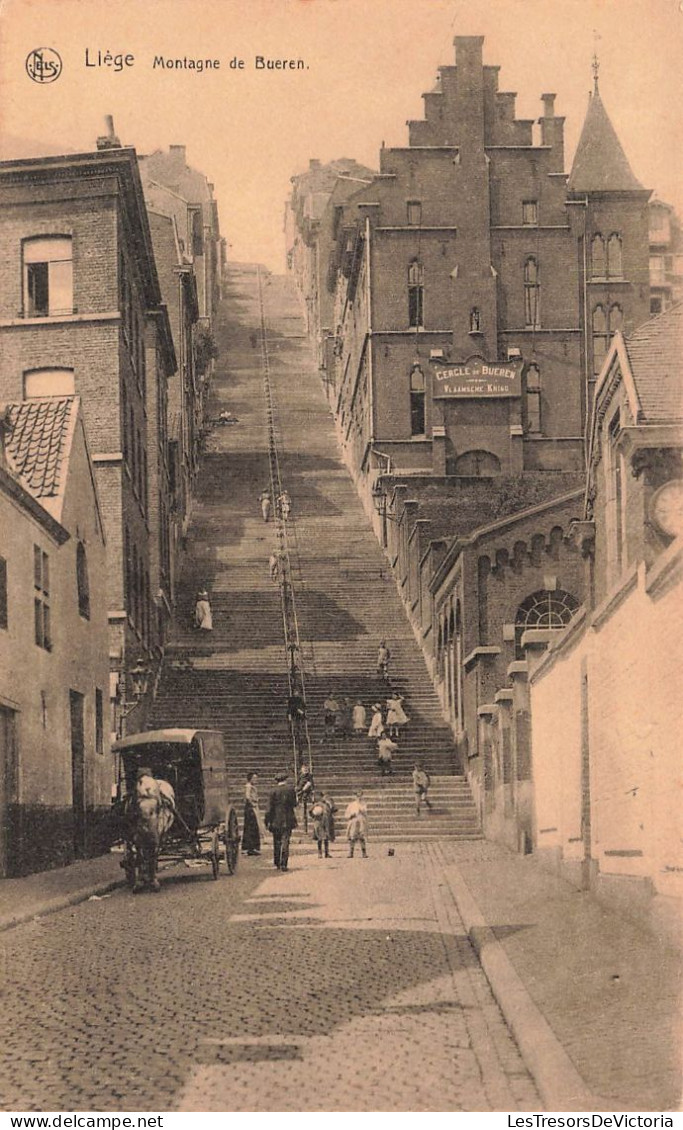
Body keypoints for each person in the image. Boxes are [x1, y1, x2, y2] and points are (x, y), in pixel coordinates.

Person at [264, 771, 298, 871]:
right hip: (288, 820)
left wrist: (267, 821)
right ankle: (284, 864)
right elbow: (295, 804)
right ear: (285, 780)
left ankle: (277, 863)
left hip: (275, 820)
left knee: (276, 841)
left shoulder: (272, 791)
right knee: (285, 841)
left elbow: (269, 808)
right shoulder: (290, 790)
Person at [242, 772, 261, 855]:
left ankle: (253, 847)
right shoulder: (249, 786)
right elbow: (247, 797)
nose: (256, 780)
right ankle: (250, 848)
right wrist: (252, 804)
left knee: (253, 827)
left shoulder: (253, 787)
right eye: (254, 778)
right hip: (250, 808)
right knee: (251, 827)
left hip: (252, 807)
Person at [345, 792, 368, 858]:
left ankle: (364, 853)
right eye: (357, 796)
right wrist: (351, 815)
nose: (359, 798)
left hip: (361, 822)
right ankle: (351, 852)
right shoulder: (351, 805)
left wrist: (362, 811)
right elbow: (346, 815)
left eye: (360, 796)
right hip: (353, 822)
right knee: (352, 837)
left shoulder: (363, 804)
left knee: (362, 837)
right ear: (355, 796)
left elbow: (365, 813)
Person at [310, 793, 333, 858]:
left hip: (325, 822)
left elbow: (332, 810)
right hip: (318, 822)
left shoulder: (326, 804)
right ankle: (320, 853)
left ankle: (326, 852)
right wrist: (314, 816)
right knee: (319, 837)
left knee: (326, 837)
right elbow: (310, 811)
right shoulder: (316, 805)